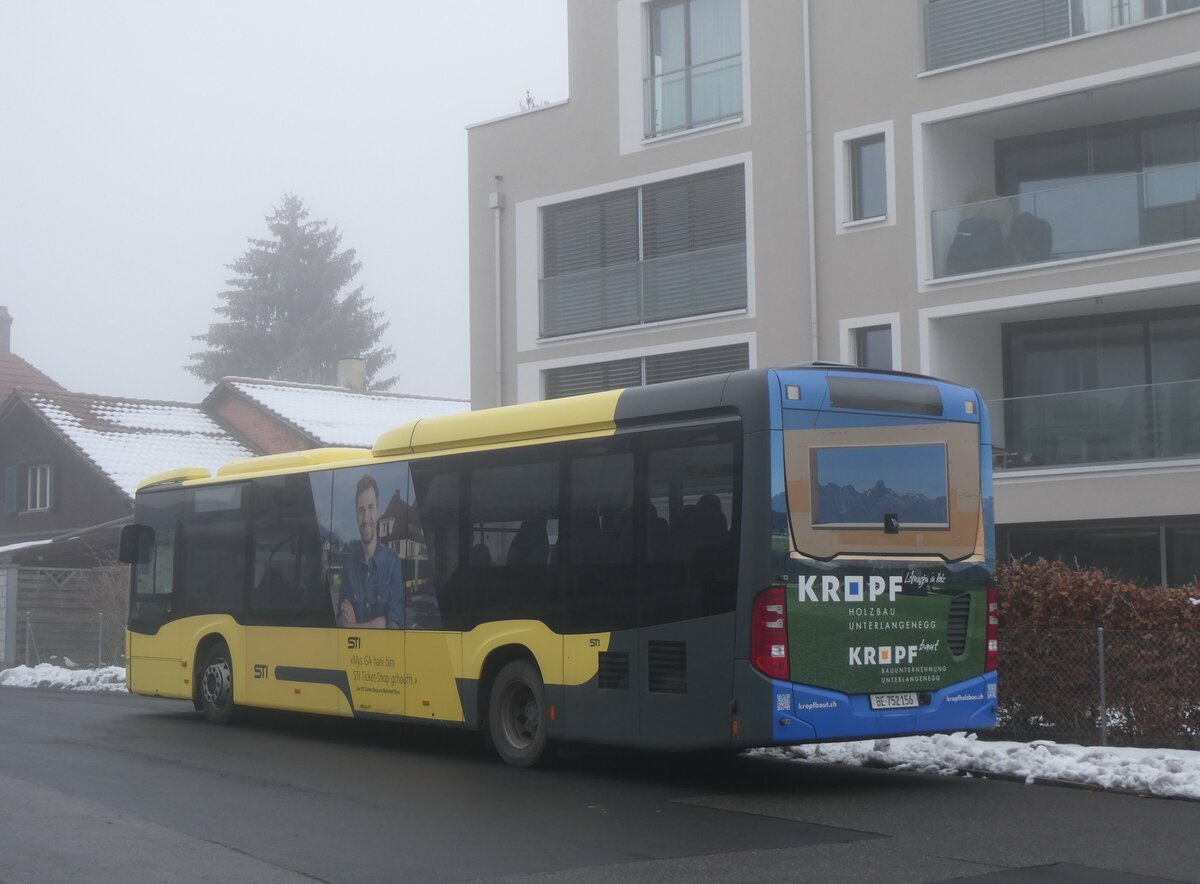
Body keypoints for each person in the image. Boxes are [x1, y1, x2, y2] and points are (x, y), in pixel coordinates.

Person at [337, 474, 405, 629]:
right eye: (361, 510)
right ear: (356, 516)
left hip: (383, 654)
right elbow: (341, 623)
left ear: (378, 511)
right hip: (353, 653)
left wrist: (355, 626)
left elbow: (393, 626)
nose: (366, 518)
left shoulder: (393, 563)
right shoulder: (348, 566)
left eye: (371, 508)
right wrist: (379, 623)